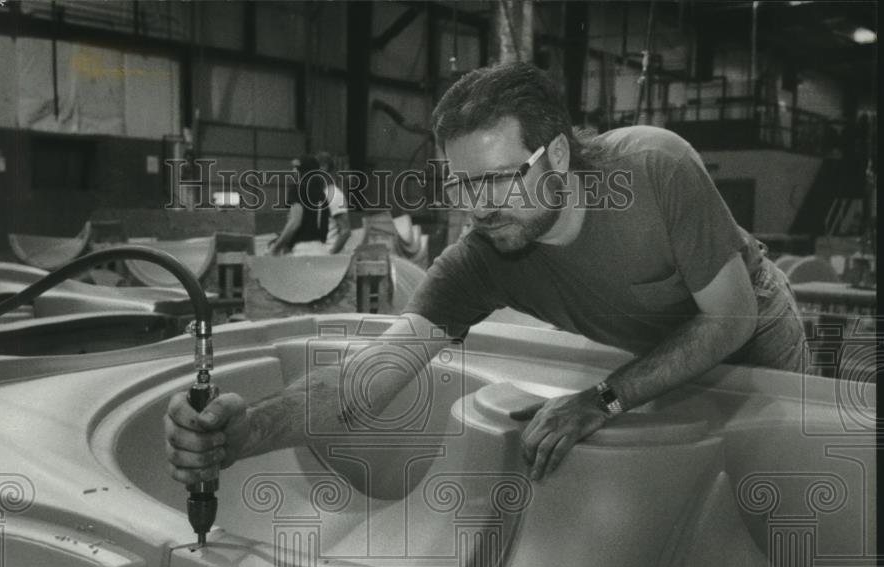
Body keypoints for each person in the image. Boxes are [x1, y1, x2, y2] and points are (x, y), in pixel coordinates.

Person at [166, 62, 813, 487]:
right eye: (460, 183)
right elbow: (371, 375)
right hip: (656, 355)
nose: (479, 206)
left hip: (756, 340)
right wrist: (244, 431)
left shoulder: (652, 169)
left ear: (556, 154)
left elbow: (730, 317)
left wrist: (602, 397)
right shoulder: (484, 256)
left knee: (778, 485)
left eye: (499, 178)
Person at [267, 155, 329, 255]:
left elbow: (294, 223)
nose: (293, 171)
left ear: (303, 170)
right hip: (322, 249)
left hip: (303, 250)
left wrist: (275, 248)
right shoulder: (322, 195)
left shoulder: (297, 189)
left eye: (296, 168)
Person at [315, 151, 351, 254]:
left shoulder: (335, 196)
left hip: (328, 257)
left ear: (323, 167)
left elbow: (345, 231)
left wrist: (330, 256)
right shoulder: (319, 195)